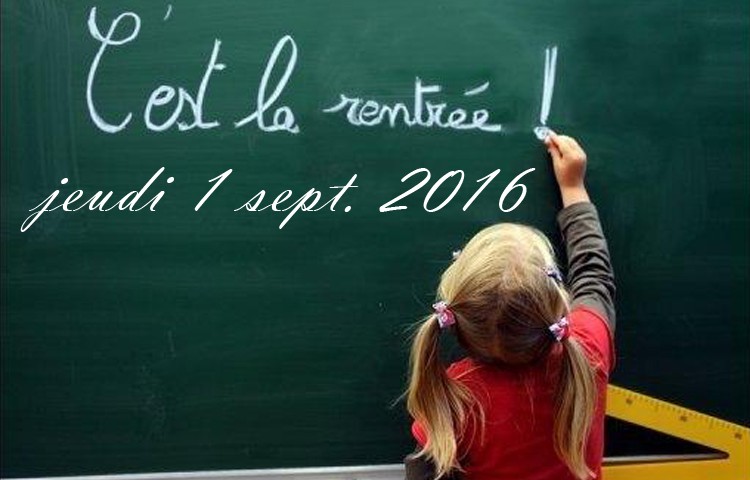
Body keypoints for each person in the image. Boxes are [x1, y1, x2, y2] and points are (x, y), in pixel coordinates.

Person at [404, 132, 616, 480]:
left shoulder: (453, 401)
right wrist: (573, 189)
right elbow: (594, 275)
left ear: (456, 318)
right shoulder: (588, 351)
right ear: (554, 297)